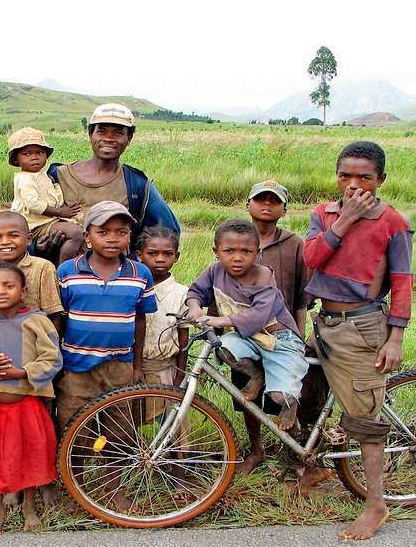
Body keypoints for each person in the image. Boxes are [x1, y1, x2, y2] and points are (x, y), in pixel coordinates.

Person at [303, 141, 413, 540]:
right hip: (325, 323)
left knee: (365, 421)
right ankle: (308, 464)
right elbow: (312, 258)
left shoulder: (393, 221)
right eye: (345, 176)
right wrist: (343, 220)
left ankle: (376, 504)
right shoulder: (323, 213)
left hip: (362, 326)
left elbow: (402, 281)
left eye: (364, 177)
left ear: (380, 179)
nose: (353, 184)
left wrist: (395, 337)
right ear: (337, 177)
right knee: (300, 383)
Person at [56, 200, 157, 511]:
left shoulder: (139, 274)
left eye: (121, 232)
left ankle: (113, 488)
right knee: (75, 432)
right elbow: (59, 317)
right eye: (103, 231)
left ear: (130, 236)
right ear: (88, 237)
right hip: (76, 368)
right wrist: (57, 364)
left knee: (120, 432)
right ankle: (76, 488)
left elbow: (141, 320)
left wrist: (137, 366)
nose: (112, 238)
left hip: (120, 367)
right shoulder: (68, 272)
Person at [229, 181, 330, 491]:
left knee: (286, 394)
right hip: (244, 331)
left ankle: (295, 454)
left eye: (275, 201)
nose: (267, 205)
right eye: (261, 199)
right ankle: (256, 448)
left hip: (280, 333)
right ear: (247, 205)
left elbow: (301, 296)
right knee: (246, 394)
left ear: (284, 209)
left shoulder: (294, 244)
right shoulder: (235, 238)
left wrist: (298, 336)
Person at [0, 262, 62, 535]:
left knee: (30, 454)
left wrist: (22, 371)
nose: (2, 292)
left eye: (9, 286)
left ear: (24, 290)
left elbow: (53, 358)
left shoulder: (37, 322)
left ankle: (28, 507)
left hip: (28, 404)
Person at [186, 219, 309, 431]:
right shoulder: (216, 271)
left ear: (257, 251)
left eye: (246, 251)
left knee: (280, 397)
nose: (237, 257)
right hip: (247, 338)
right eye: (229, 250)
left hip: (279, 340)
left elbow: (258, 316)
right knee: (222, 347)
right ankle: (256, 375)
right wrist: (194, 307)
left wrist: (218, 320)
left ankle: (291, 405)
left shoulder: (263, 275)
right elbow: (196, 291)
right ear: (216, 251)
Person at [45, 103, 180, 256]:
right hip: (66, 275)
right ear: (90, 135)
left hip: (118, 276)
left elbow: (168, 232)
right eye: (101, 131)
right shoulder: (59, 176)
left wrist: (135, 264)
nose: (108, 139)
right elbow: (30, 223)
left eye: (117, 133)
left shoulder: (137, 184)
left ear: (129, 138)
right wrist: (38, 247)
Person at [0, 211, 63, 328]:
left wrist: (51, 344)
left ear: (29, 239)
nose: (5, 242)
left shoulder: (42, 268)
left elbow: (54, 313)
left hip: (32, 340)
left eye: (13, 235)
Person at [8, 127, 83, 264]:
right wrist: (60, 212)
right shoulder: (25, 179)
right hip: (35, 224)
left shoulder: (42, 175)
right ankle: (64, 271)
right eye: (26, 154)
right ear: (16, 160)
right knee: (75, 233)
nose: (34, 157)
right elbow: (33, 204)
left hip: (45, 220)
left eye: (40, 152)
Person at [135, 226, 189, 388]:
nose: (160, 259)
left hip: (167, 370)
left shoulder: (182, 293)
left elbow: (183, 338)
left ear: (176, 256)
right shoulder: (133, 287)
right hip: (132, 368)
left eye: (167, 254)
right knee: (132, 412)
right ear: (139, 255)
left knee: (166, 411)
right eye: (152, 253)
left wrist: (180, 375)